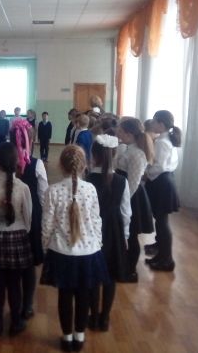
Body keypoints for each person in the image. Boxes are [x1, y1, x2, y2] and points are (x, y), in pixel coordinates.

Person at [41, 145, 109, 352]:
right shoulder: (91, 189)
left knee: (65, 296)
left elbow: (47, 225)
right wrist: (98, 244)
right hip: (89, 253)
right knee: (84, 295)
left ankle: (67, 337)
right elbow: (96, 221)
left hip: (62, 253)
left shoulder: (52, 191)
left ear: (60, 165)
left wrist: (46, 247)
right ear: (84, 165)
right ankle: (80, 337)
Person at [86, 135, 131, 332]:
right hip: (114, 230)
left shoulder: (88, 179)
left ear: (94, 155)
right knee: (110, 274)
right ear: (113, 155)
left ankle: (94, 316)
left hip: (91, 230)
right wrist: (126, 236)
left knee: (93, 274)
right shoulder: (122, 181)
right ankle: (105, 318)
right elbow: (126, 212)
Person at [0, 142, 33, 337]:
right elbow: (28, 217)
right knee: (15, 284)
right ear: (17, 161)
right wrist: (22, 232)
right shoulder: (23, 187)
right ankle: (16, 322)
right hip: (18, 237)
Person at [9, 118, 48, 320]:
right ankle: (27, 306)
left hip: (10, 214)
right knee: (29, 261)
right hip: (32, 215)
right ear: (31, 140)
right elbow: (43, 194)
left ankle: (15, 306)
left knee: (13, 264)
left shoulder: (4, 162)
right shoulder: (37, 164)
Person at [115, 118, 155, 281]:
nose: (118, 133)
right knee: (126, 234)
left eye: (120, 131)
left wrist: (123, 202)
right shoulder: (128, 148)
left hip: (132, 198)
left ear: (129, 134)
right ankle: (123, 266)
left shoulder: (137, 154)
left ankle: (130, 270)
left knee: (131, 236)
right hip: (125, 195)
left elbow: (133, 182)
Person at [144, 110, 181, 272]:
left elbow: (158, 166)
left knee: (162, 222)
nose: (152, 123)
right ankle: (161, 254)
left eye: (154, 121)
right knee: (160, 221)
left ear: (161, 124)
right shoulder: (164, 139)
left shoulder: (162, 142)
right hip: (163, 181)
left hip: (161, 183)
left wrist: (146, 174)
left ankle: (167, 260)